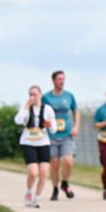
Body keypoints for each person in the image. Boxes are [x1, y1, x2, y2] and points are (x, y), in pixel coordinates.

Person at [14, 85, 57, 208]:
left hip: (43, 143)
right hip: (28, 142)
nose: (33, 97)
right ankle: (29, 191)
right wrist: (27, 105)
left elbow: (54, 129)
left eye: (35, 94)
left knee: (44, 172)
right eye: (30, 94)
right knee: (33, 172)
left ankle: (37, 198)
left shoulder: (48, 109)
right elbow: (17, 121)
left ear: (40, 95)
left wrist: (50, 126)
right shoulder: (26, 108)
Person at [42, 70, 80, 201]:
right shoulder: (46, 97)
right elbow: (41, 113)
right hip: (51, 135)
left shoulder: (69, 96)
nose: (62, 81)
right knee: (54, 164)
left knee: (68, 161)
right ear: (53, 81)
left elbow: (76, 111)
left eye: (63, 79)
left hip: (67, 135)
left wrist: (76, 126)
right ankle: (55, 189)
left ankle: (65, 183)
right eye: (59, 79)